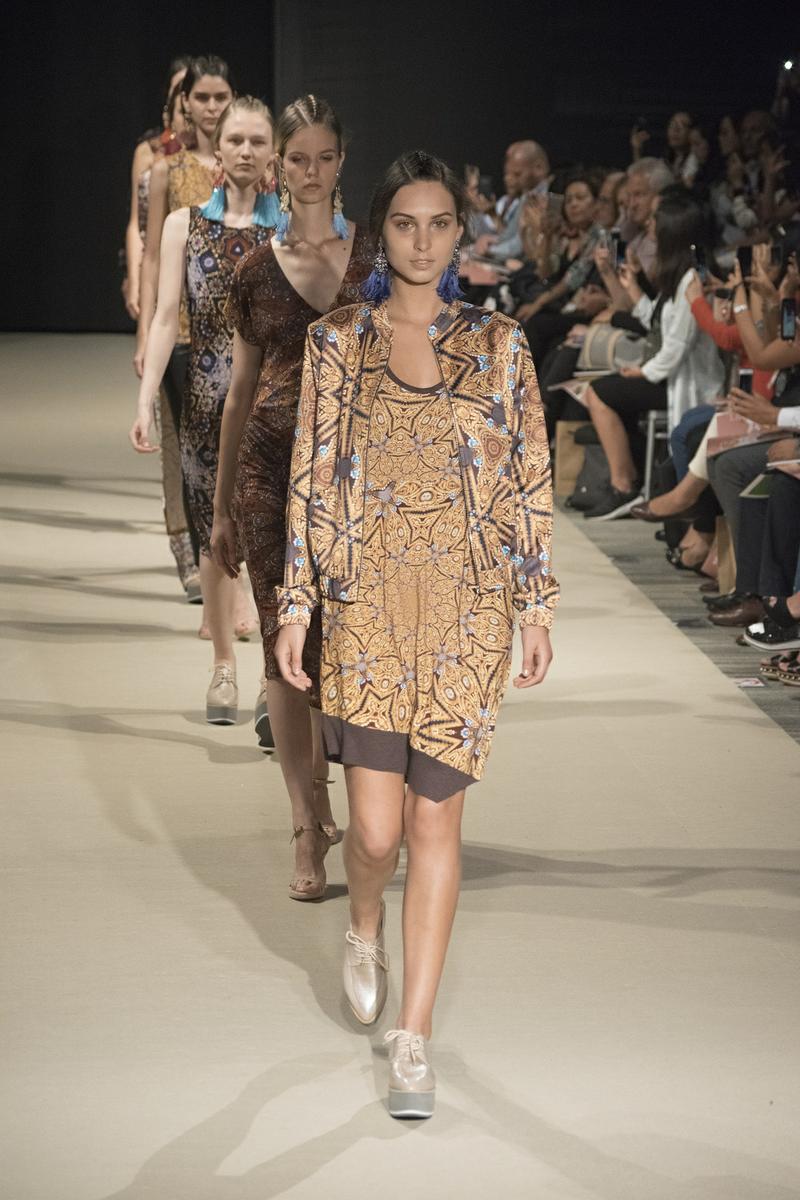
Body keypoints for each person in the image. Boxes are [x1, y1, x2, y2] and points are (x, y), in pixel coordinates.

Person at [273, 150, 558, 1118]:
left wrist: (535, 604)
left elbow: (528, 478)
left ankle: (414, 1036)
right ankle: (364, 923)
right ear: (380, 231)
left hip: (467, 611)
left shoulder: (502, 346)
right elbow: (311, 477)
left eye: (439, 224)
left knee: (435, 822)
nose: (423, 241)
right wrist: (298, 604)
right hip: (367, 608)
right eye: (405, 223)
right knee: (375, 832)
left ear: (460, 234)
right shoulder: (335, 344)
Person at [210, 96, 372, 865]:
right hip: (269, 472)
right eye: (298, 158)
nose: (311, 172)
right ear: (279, 163)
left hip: (356, 479)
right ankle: (306, 824)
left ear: (342, 161)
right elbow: (238, 394)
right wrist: (220, 510)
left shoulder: (376, 261)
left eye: (324, 157)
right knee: (282, 641)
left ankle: (337, 799)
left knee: (345, 643)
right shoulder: (253, 270)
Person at [130, 97, 276, 721]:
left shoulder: (290, 229)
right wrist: (145, 398)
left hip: (274, 406)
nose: (245, 150)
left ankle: (274, 674)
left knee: (272, 539)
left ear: (272, 153)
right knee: (215, 536)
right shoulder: (183, 225)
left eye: (257, 141)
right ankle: (223, 666)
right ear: (219, 149)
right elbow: (167, 318)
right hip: (204, 404)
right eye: (235, 139)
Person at [136, 55, 236, 629]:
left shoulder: (254, 165)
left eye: (221, 96)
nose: (212, 107)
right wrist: (145, 329)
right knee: (194, 456)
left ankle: (233, 579)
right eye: (202, 97)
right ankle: (204, 574)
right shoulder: (165, 172)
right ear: (185, 103)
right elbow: (152, 257)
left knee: (235, 454)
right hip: (182, 331)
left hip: (239, 330)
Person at [580, 189, 725, 520]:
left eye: (655, 221)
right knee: (600, 390)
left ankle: (623, 485)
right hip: (667, 373)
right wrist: (633, 287)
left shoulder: (692, 278)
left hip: (683, 379)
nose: (649, 226)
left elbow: (677, 345)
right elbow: (658, 323)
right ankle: (625, 481)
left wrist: (644, 372)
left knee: (598, 392)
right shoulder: (679, 275)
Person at [618, 157, 674, 281]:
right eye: (629, 196)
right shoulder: (635, 236)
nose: (632, 204)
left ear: (662, 195)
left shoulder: (669, 244)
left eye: (639, 195)